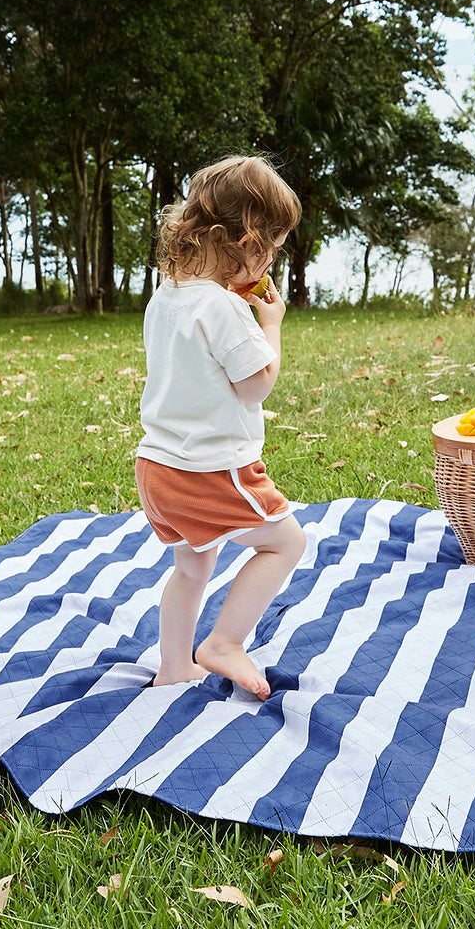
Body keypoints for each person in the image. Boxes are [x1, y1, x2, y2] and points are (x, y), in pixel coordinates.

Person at [135, 155, 306, 700]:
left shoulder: (167, 296)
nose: (271, 258)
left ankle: (173, 666)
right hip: (209, 471)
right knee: (286, 542)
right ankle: (224, 643)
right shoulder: (226, 310)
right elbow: (257, 383)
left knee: (192, 566)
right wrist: (271, 326)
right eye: (270, 245)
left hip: (157, 467)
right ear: (243, 241)